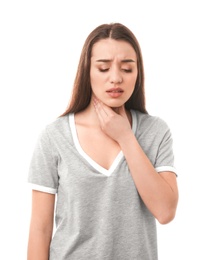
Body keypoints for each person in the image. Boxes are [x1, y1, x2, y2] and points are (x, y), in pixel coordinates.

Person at [27, 22, 178, 260]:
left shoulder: (156, 131)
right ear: (87, 71)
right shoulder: (55, 136)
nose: (116, 78)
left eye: (127, 69)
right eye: (103, 68)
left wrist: (126, 137)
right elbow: (40, 229)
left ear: (137, 74)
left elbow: (165, 211)